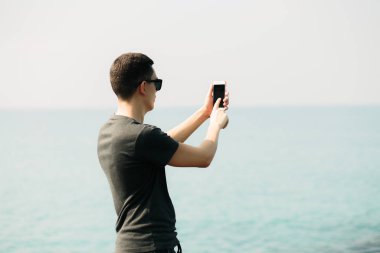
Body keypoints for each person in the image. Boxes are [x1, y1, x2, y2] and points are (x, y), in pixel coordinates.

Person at [97, 52, 229, 253]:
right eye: (156, 84)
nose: (157, 91)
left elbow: (162, 144)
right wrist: (216, 124)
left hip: (128, 245)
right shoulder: (141, 136)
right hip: (152, 246)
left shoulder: (110, 130)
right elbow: (204, 157)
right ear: (143, 87)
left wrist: (204, 113)